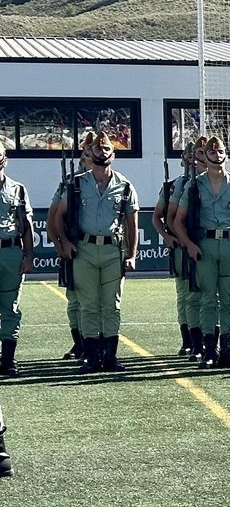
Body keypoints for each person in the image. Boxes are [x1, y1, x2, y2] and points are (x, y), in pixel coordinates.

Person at [50, 132, 137, 373]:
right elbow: (58, 216)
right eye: (97, 149)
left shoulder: (125, 185)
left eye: (106, 149)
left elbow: (132, 223)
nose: (101, 152)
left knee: (112, 305)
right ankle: (89, 357)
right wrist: (64, 243)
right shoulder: (77, 183)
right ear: (90, 153)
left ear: (113, 154)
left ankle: (110, 357)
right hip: (85, 250)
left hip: (112, 251)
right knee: (88, 305)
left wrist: (131, 254)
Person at [172, 136, 230, 369]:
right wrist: (189, 244)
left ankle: (225, 351)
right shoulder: (194, 185)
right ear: (204, 156)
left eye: (221, 152)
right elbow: (178, 221)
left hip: (229, 244)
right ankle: (209, 351)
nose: (217, 156)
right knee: (207, 300)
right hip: (204, 246)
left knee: (227, 300)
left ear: (227, 154)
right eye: (212, 153)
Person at [46, 141, 92, 361]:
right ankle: (79, 343)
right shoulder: (69, 183)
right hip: (73, 247)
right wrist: (60, 244)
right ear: (83, 156)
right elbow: (53, 216)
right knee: (75, 299)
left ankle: (96, 343)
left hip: (97, 248)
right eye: (87, 152)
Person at [155, 139, 200, 357]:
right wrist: (168, 236)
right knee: (184, 294)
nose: (192, 161)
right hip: (181, 246)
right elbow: (159, 218)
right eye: (189, 157)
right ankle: (188, 339)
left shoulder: (205, 183)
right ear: (183, 160)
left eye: (196, 156)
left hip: (202, 244)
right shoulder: (173, 186)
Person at [0, 145, 35, 377]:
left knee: (11, 308)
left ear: (5, 159)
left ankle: (8, 361)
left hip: (10, 253)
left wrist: (29, 255)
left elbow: (27, 226)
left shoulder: (18, 190)